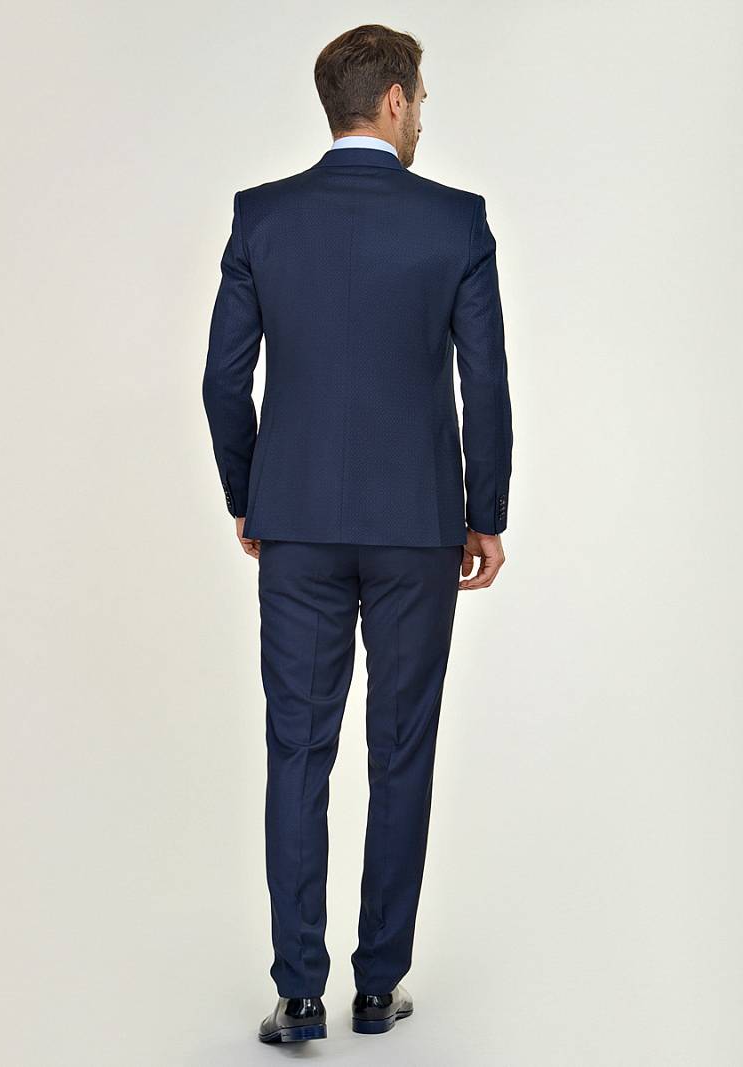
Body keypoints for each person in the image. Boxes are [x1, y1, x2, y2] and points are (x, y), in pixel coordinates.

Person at [201, 22, 513, 1044]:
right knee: (401, 746)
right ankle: (377, 985)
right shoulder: (456, 222)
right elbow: (484, 385)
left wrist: (251, 493)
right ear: (392, 100)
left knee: (297, 744)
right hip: (418, 525)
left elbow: (222, 380)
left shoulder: (262, 217)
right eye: (420, 101)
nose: (421, 118)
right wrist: (485, 513)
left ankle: (299, 991)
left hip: (294, 523)